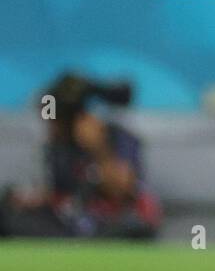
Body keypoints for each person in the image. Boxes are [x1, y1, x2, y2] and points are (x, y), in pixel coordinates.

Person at [0, 73, 160, 240]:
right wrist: (33, 200)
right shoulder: (58, 148)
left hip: (113, 222)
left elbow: (121, 191)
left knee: (133, 227)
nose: (51, 127)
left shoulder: (117, 137)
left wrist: (98, 148)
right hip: (72, 223)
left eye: (55, 120)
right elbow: (64, 197)